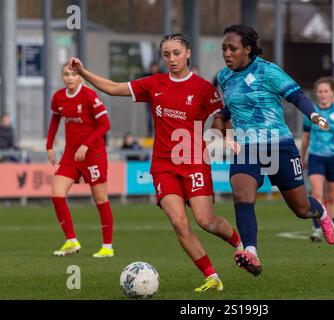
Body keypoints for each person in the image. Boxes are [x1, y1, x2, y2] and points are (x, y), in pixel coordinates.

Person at [68, 33, 243, 292]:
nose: (171, 59)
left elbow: (222, 116)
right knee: (178, 222)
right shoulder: (154, 84)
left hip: (194, 161)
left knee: (206, 221)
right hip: (163, 165)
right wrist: (84, 72)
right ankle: (212, 276)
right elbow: (114, 88)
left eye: (176, 53)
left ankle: (240, 246)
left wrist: (226, 136)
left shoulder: (204, 89)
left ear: (188, 53)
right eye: (166, 54)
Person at [212, 24, 334, 277]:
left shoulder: (268, 71)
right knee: (241, 195)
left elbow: (296, 96)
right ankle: (251, 252)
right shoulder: (224, 77)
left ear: (247, 49)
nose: (226, 53)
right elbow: (229, 110)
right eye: (224, 48)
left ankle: (321, 212)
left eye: (232, 48)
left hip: (279, 145)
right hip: (246, 147)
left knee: (301, 209)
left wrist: (313, 114)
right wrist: (220, 129)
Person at [46, 63, 115, 258]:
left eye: (73, 74)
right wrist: (49, 145)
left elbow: (105, 125)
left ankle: (107, 247)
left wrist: (86, 145)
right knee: (57, 193)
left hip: (93, 154)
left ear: (79, 77)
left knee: (100, 199)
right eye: (66, 74)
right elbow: (54, 121)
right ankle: (71, 240)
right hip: (71, 155)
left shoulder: (89, 95)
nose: (69, 78)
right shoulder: (58, 97)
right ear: (62, 77)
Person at [300, 77, 334, 242]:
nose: (322, 94)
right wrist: (302, 155)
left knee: (332, 195)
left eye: (326, 91)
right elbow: (306, 137)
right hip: (316, 157)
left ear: (332, 93)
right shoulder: (311, 113)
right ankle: (316, 229)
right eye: (320, 91)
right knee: (316, 194)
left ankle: (332, 226)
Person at [141, 62, 161, 137]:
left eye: (155, 67)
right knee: (149, 117)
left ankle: (158, 132)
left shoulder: (161, 75)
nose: (154, 69)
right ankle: (149, 133)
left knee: (159, 116)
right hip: (150, 100)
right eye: (152, 67)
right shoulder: (147, 75)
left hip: (159, 100)